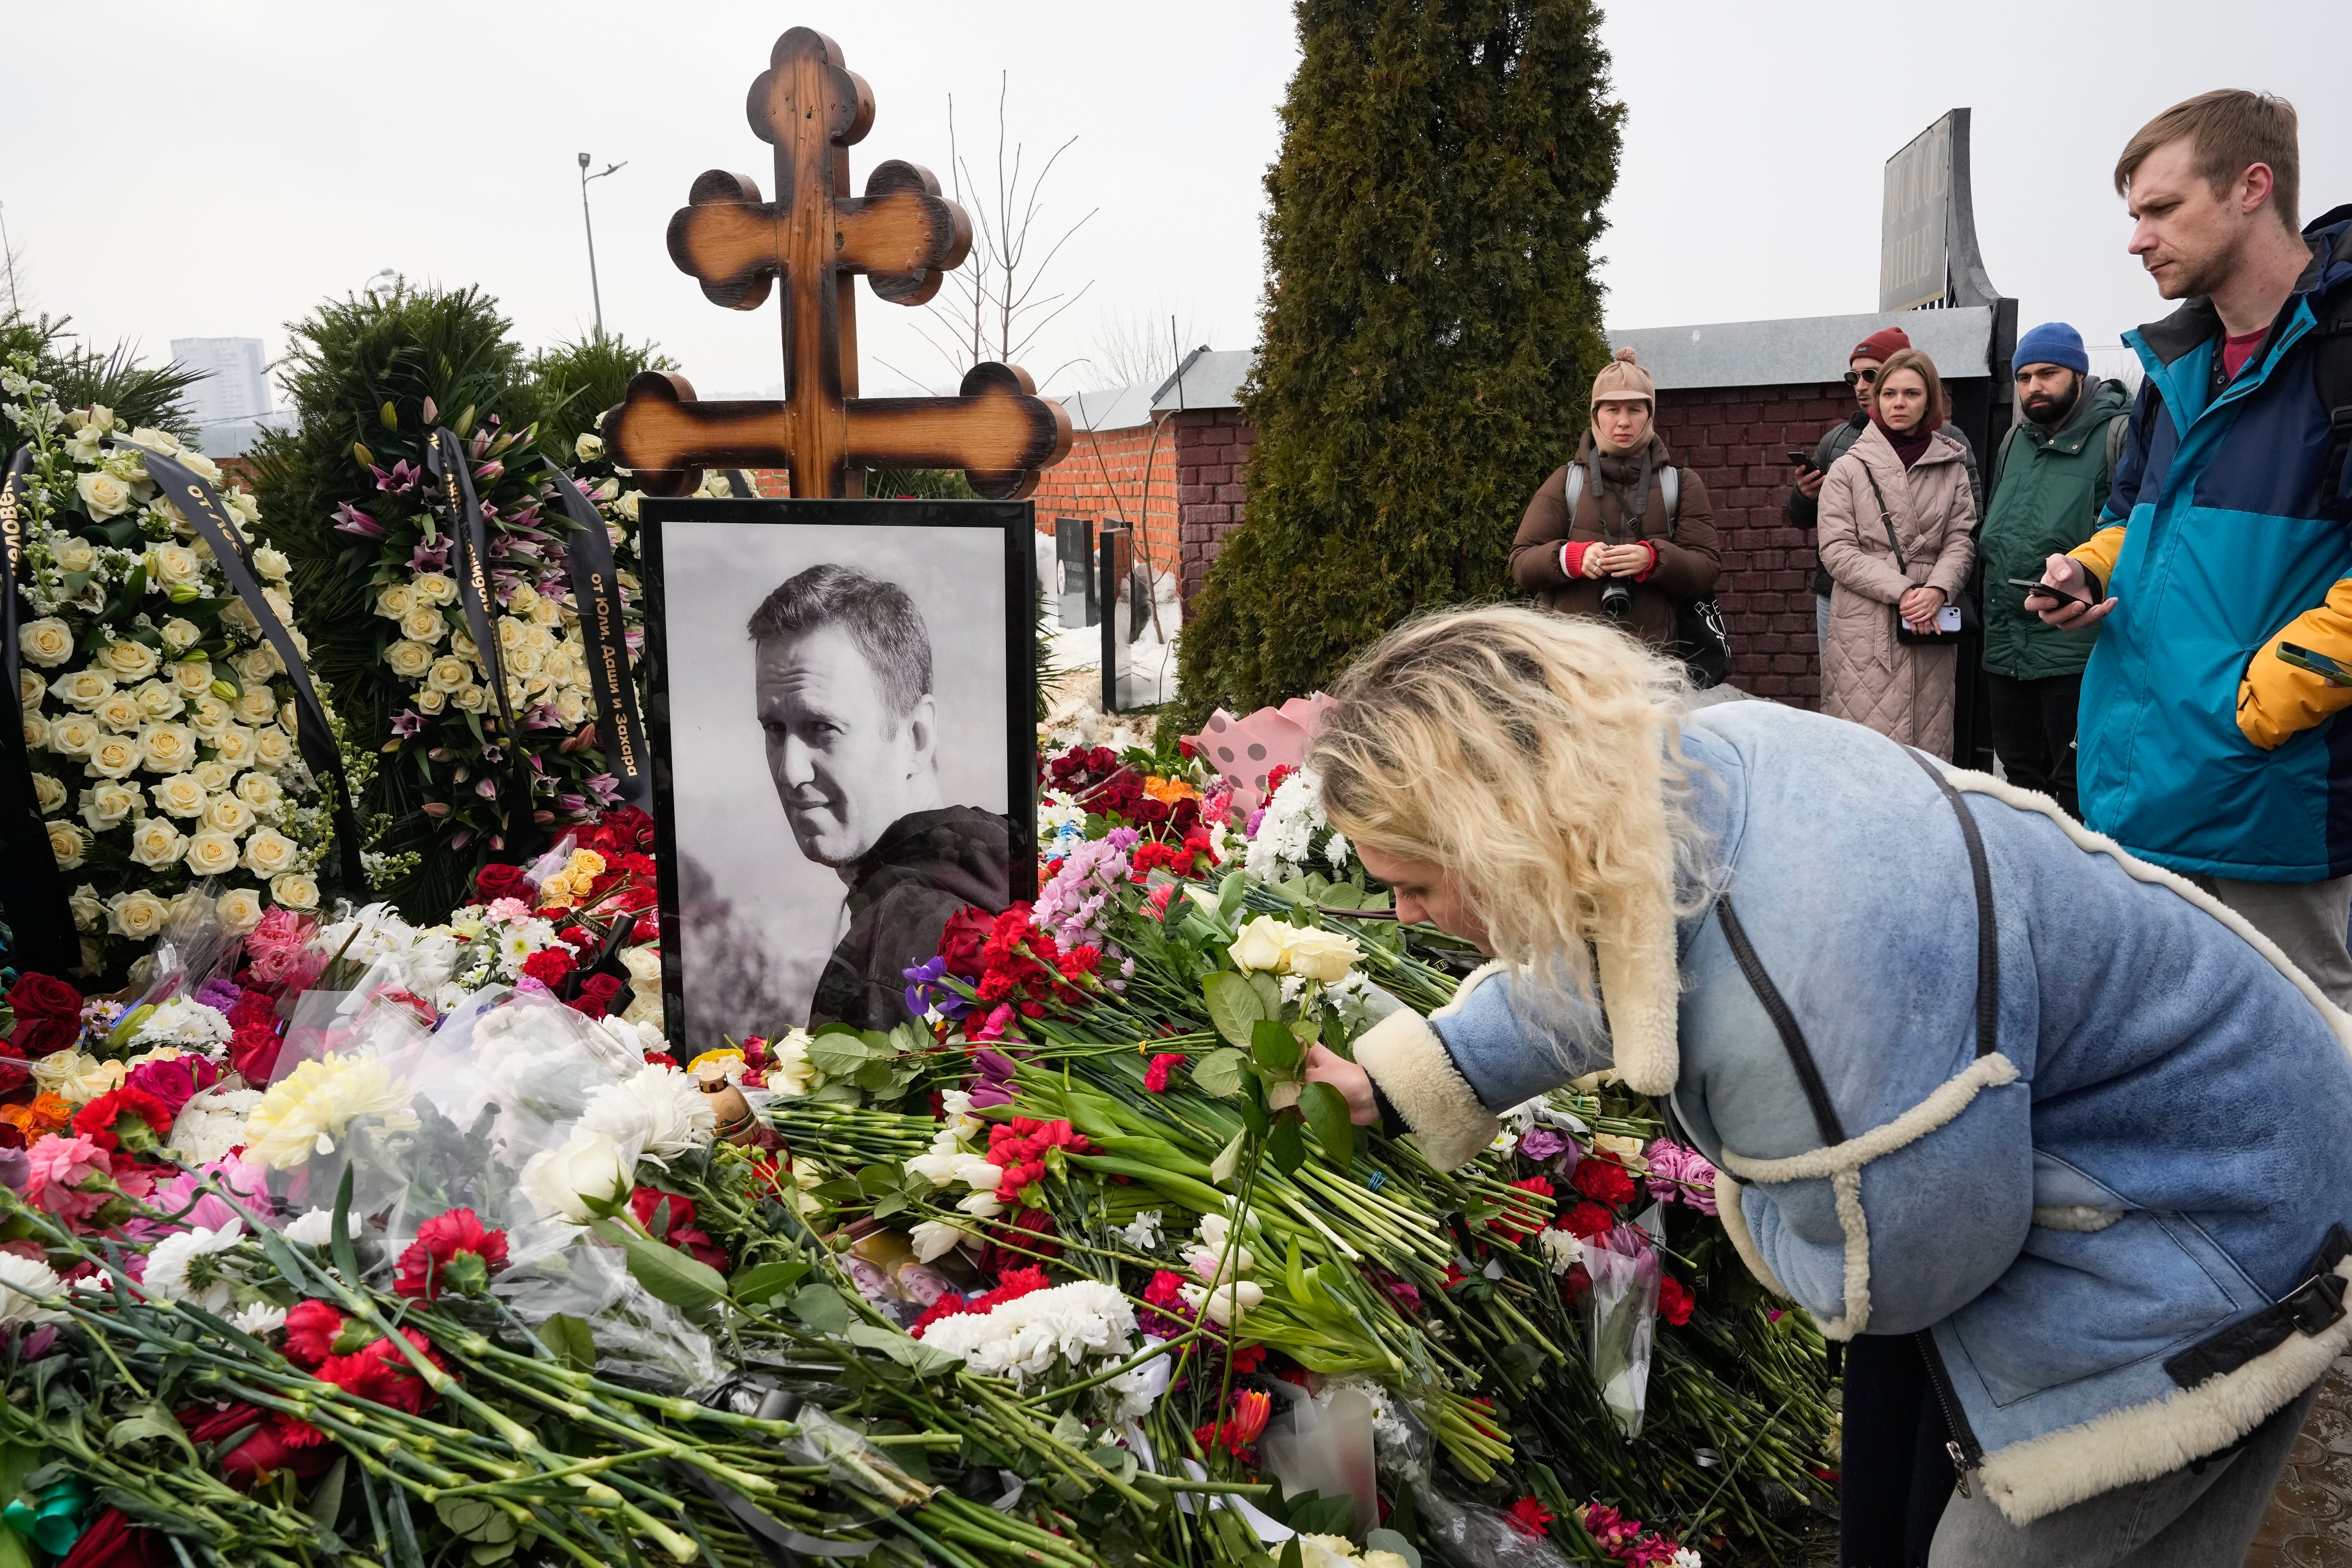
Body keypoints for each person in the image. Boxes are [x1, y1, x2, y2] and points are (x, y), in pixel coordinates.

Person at [1299, 605, 2352, 1568]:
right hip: (2179, 1142)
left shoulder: (1804, 966)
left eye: (1414, 886)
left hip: (2216, 1237)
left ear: (1503, 839)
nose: (1403, 918)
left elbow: (1903, 1264)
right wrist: (1414, 1080)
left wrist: (1759, 1197)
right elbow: (1612, 947)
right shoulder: (1659, 778)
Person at [2030, 89, 2352, 1007]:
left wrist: (2262, 703)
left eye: (2161, 209)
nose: (2138, 238)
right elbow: (2135, 517)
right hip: (2140, 784)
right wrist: (2085, 570)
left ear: (2253, 187)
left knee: (2306, 1059)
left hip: (2269, 798)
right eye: (2134, 214)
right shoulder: (2174, 366)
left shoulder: (2342, 353)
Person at [747, 564, 1010, 1030]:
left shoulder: (886, 960)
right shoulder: (1002, 859)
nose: (790, 771)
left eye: (823, 728)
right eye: (774, 729)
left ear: (916, 736)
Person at [1975, 322, 2132, 817]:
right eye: (2024, 377)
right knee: (2018, 784)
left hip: (2075, 648)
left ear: (2079, 376)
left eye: (2048, 373)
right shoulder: (2013, 442)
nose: (2033, 387)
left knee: (2077, 789)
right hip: (2005, 644)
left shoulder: (2118, 434)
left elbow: (2131, 530)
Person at [1815, 348, 1978, 759]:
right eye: (1889, 394)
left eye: (1911, 393)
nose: (1899, 403)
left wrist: (1939, 589)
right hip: (1865, 627)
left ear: (1930, 400)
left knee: (1930, 749)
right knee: (1864, 754)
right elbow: (1836, 550)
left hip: (1931, 621)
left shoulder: (1951, 465)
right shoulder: (1849, 469)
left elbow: (1961, 538)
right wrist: (1906, 592)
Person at [1510, 347, 1720, 657]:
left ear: (1650, 415)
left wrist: (1654, 560)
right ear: (1595, 415)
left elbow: (1706, 567)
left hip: (1655, 660)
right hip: (1573, 660)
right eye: (1612, 410)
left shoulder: (1682, 484)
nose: (1623, 422)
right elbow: (1521, 563)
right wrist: (1572, 559)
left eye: (1635, 410)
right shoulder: (1565, 481)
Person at [1787, 327, 1983, 656]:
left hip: (1927, 605)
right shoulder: (1838, 442)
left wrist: (1935, 588)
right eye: (1854, 377)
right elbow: (1819, 532)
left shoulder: (1950, 447)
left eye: (1871, 375)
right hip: (1851, 596)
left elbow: (1966, 531)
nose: (1862, 385)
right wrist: (1804, 496)